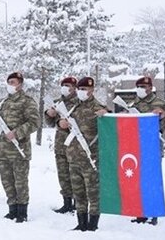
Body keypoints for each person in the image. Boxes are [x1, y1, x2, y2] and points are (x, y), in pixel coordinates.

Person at [0, 72, 40, 223]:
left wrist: (17, 133)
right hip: (3, 149)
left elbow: (34, 122)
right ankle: (12, 209)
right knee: (7, 181)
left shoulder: (27, 101)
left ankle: (22, 212)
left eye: (14, 82)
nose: (10, 84)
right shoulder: (3, 102)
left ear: (21, 84)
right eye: (9, 82)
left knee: (20, 182)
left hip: (19, 150)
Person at [58, 76, 107, 231]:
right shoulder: (73, 107)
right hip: (73, 157)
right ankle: (81, 222)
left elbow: (108, 127)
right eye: (79, 89)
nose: (80, 92)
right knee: (78, 193)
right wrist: (61, 124)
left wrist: (105, 114)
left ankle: (93, 224)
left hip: (90, 158)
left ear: (91, 90)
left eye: (84, 89)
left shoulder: (98, 108)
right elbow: (64, 128)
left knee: (93, 193)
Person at [126, 76, 165, 225]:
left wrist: (162, 117)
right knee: (137, 180)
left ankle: (153, 213)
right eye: (139, 86)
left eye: (144, 86)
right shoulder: (132, 104)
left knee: (151, 180)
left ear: (151, 88)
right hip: (134, 146)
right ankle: (140, 212)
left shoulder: (161, 103)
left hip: (152, 145)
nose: (141, 89)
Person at [44, 76, 78, 214]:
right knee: (63, 176)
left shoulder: (80, 103)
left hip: (75, 147)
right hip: (60, 146)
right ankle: (67, 203)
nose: (65, 87)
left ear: (74, 87)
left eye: (68, 85)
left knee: (75, 176)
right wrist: (49, 114)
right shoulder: (58, 102)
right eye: (63, 85)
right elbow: (50, 123)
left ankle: (78, 204)